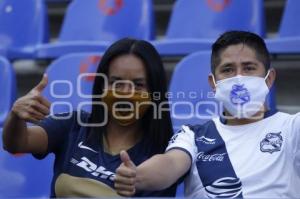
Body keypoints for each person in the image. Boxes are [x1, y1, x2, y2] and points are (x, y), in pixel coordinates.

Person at [114, 31, 300, 198]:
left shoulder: (292, 128)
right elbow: (170, 163)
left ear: (269, 78)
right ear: (213, 83)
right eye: (228, 70)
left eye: (249, 68)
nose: (239, 78)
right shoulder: (193, 135)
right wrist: (136, 176)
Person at [2, 38, 177, 197]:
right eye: (116, 82)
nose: (125, 93)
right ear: (101, 86)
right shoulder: (73, 125)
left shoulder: (164, 155)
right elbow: (17, 143)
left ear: (155, 92)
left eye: (138, 85)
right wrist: (16, 116)